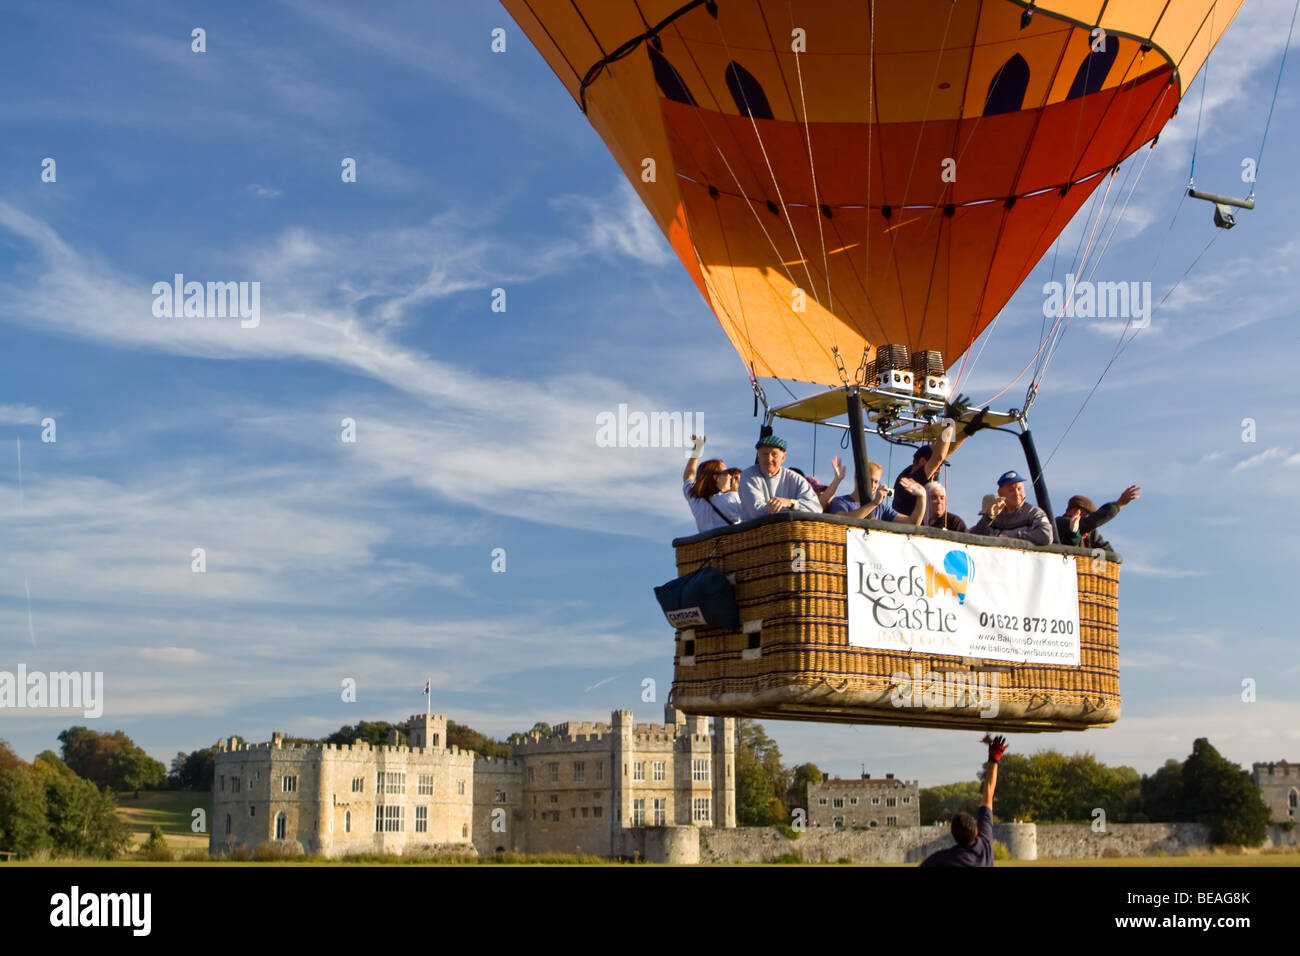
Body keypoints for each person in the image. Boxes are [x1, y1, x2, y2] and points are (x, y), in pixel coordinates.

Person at [892, 396, 992, 515]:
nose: (938, 471)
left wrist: (967, 431)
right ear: (923, 461)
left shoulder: (908, 473)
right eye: (937, 467)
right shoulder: (913, 481)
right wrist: (949, 420)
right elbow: (938, 457)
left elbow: (944, 453)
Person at [920, 735, 1007, 868]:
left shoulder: (941, 859)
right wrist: (994, 759)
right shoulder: (985, 847)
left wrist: (993, 760)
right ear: (977, 831)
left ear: (953, 835)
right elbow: (988, 794)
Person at [738, 435, 823, 520]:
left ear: (783, 458)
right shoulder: (748, 476)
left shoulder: (796, 479)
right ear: (758, 457)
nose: (769, 459)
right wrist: (794, 511)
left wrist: (791, 503)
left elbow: (816, 509)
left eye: (774, 454)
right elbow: (757, 512)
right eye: (765, 454)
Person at [826, 460, 927, 525]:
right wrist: (873, 503)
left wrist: (922, 496)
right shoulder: (840, 502)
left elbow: (912, 523)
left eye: (876, 482)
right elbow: (842, 521)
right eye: (870, 480)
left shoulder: (881, 508)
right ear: (857, 478)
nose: (874, 486)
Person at [971, 471, 1053, 545]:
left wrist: (1010, 537)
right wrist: (988, 517)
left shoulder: (1033, 512)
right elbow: (972, 537)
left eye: (1019, 489)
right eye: (1011, 490)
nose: (1017, 493)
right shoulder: (996, 516)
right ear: (1000, 494)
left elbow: (1046, 535)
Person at [681, 435, 741, 532]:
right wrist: (736, 490)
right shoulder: (732, 498)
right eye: (726, 472)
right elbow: (754, 512)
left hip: (708, 546)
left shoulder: (697, 500)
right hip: (732, 545)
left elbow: (688, 477)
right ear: (716, 477)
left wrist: (697, 450)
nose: (730, 476)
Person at [1055, 486, 1140, 551]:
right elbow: (1089, 522)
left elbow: (1106, 550)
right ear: (1071, 511)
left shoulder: (1090, 533)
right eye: (1085, 513)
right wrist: (1119, 504)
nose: (1087, 517)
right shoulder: (1060, 523)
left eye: (1089, 515)